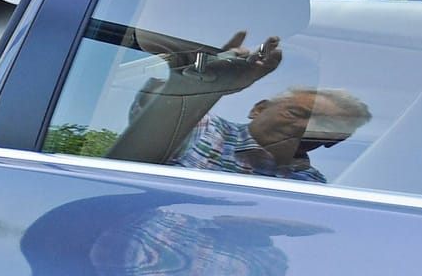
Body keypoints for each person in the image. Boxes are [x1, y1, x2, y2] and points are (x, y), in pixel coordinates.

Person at [108, 31, 371, 183]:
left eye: (326, 126)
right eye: (297, 113)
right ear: (258, 108)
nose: (305, 126)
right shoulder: (203, 127)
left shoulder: (312, 184)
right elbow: (152, 103)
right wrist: (204, 83)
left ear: (334, 141)